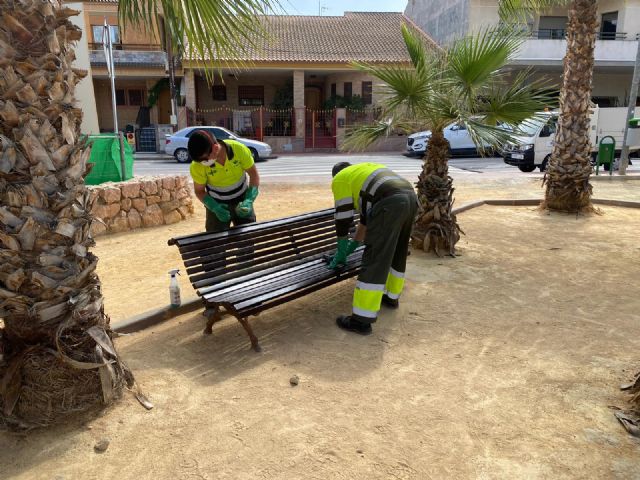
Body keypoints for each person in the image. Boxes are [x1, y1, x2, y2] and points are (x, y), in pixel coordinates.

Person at [328, 162, 418, 335]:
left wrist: (340, 252)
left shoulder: (340, 179)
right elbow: (364, 222)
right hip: (410, 198)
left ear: (335, 175)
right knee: (398, 251)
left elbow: (343, 219)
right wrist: (350, 248)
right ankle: (391, 298)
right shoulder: (362, 173)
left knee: (375, 257)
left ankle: (361, 321)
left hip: (389, 203)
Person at [188, 130, 260, 232]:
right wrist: (214, 207)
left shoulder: (238, 149)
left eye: (204, 159)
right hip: (216, 202)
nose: (202, 163)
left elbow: (254, 175)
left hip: (242, 199)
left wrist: (249, 199)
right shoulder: (197, 166)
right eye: (199, 161)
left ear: (215, 148)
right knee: (216, 242)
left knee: (248, 238)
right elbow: (199, 191)